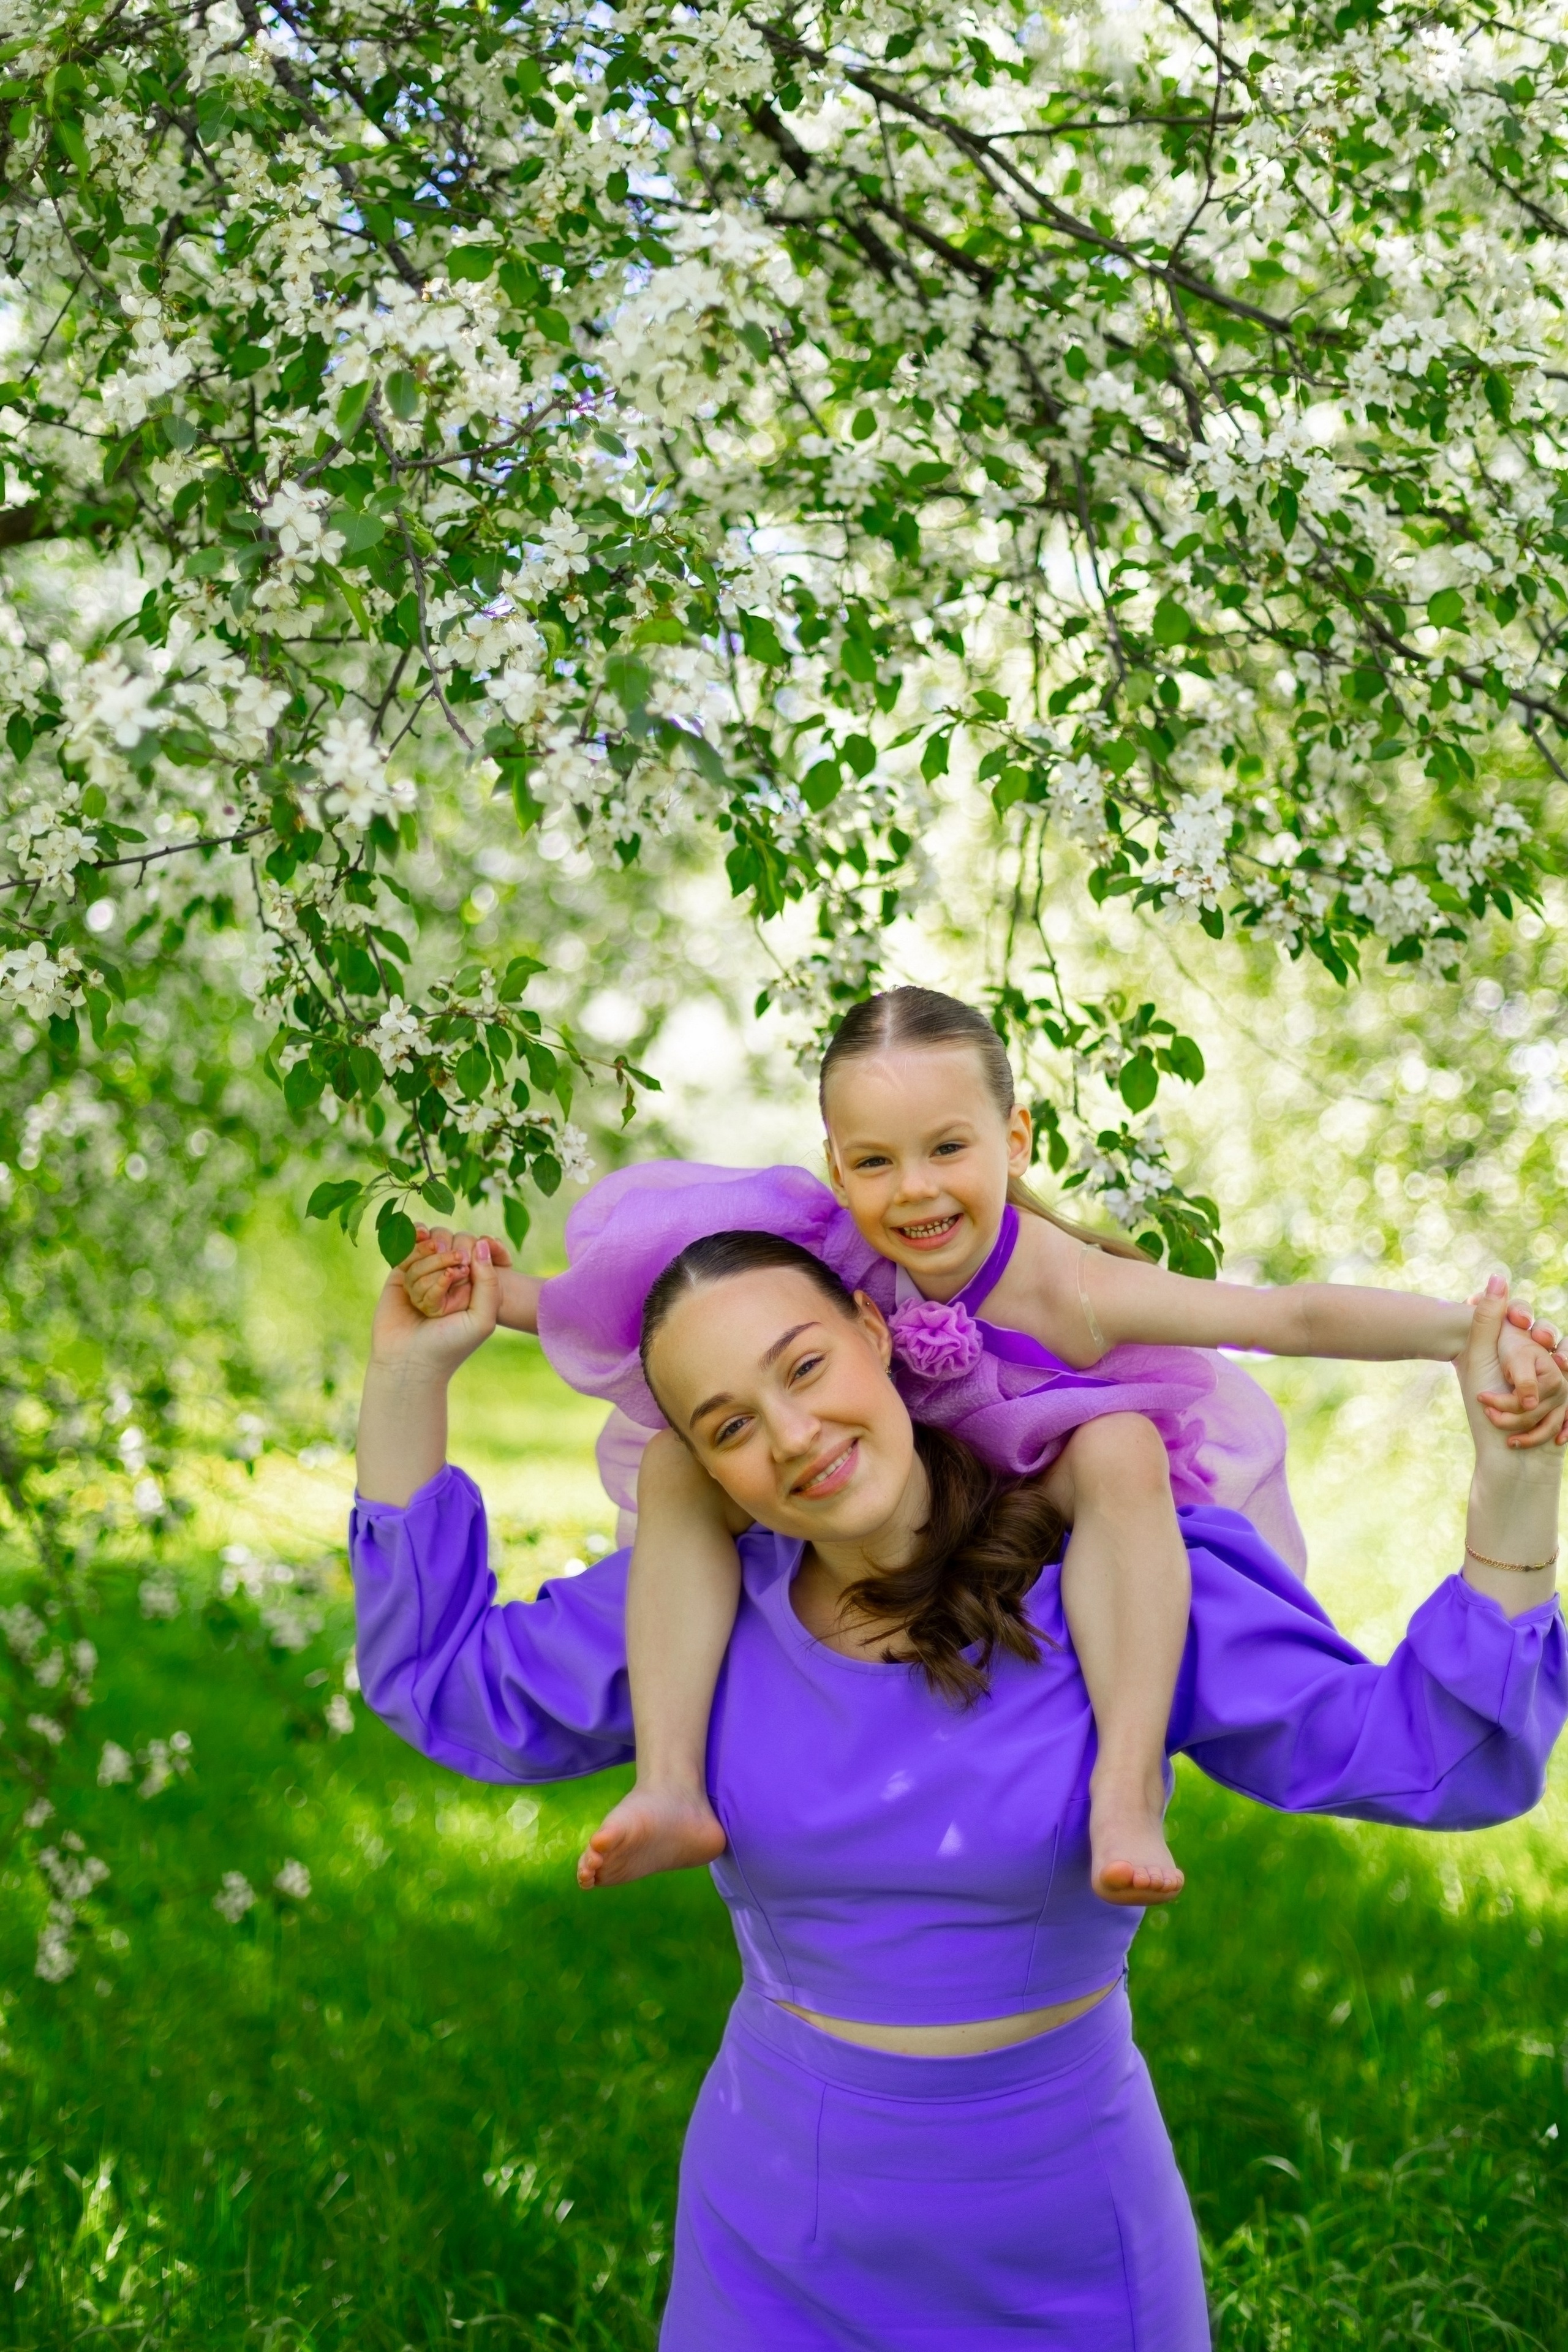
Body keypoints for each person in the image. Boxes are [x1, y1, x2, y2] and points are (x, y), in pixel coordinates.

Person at [355, 1231, 1564, 2351]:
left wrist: (1511, 1488)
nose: (788, 1436)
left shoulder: (1117, 1588)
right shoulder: (700, 1613)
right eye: (726, 1427)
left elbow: (1438, 1761)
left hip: (1066, 2243)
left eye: (804, 1365)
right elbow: (439, 1685)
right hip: (777, 2236)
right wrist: (407, 1378)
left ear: (879, 1340)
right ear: (704, 1472)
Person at [403, 987, 1566, 1905]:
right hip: (888, 1474)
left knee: (1118, 1449)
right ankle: (669, 1783)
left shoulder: (1075, 1291)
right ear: (835, 1163)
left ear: (1011, 1138)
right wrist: (489, 1293)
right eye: (873, 1162)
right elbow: (633, 1310)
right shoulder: (834, 1260)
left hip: (1043, 1458)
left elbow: (1288, 1315)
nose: (912, 1191)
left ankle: (1123, 1793)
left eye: (947, 1149)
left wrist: (1459, 1332)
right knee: (675, 1457)